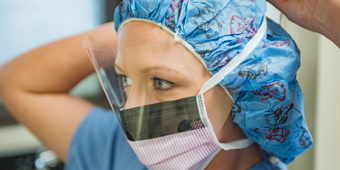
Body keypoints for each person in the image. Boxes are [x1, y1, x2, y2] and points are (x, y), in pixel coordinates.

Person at [0, 0, 337, 169]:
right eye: (126, 80)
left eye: (160, 81)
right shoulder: (121, 151)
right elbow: (17, 83)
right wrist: (144, 23)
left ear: (243, 88)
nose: (131, 111)